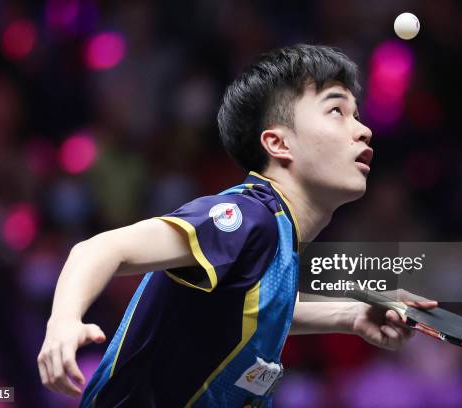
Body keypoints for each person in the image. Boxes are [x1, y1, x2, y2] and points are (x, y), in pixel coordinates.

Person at [37, 44, 437, 407]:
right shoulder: (248, 217)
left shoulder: (278, 239)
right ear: (278, 144)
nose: (363, 129)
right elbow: (100, 249)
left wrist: (349, 316)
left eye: (357, 114)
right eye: (336, 111)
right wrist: (64, 323)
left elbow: (248, 307)